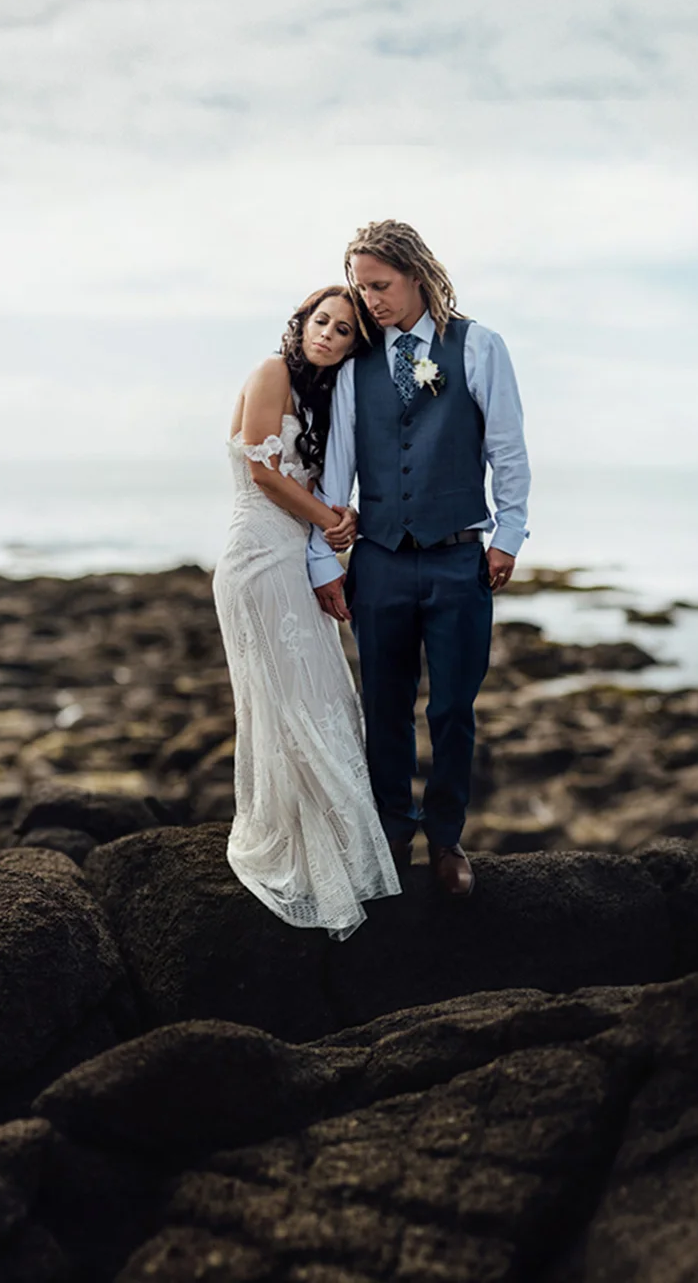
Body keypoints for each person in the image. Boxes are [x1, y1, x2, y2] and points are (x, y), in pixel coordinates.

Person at [309, 220, 530, 899]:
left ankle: (445, 838)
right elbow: (337, 472)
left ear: (415, 273)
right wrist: (324, 561)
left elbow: (508, 452)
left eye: (380, 285)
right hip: (378, 562)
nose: (370, 300)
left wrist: (507, 536)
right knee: (385, 705)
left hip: (460, 559)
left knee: (454, 710)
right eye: (362, 288)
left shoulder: (479, 347)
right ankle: (392, 831)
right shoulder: (356, 367)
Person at [214, 284, 401, 939]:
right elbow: (265, 473)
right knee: (286, 700)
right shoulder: (270, 372)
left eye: (344, 330)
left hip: (293, 559)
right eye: (321, 321)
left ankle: (342, 848)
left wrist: (336, 517)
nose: (328, 333)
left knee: (321, 694)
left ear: (355, 345)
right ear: (301, 324)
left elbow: (315, 481)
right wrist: (332, 520)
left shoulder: (323, 399)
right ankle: (297, 846)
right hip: (257, 561)